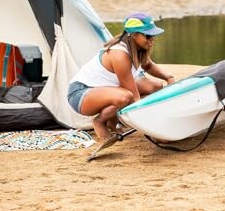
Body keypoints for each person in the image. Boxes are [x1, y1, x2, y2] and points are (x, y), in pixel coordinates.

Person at [67, 12, 175, 141]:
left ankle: (112, 122)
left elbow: (148, 66)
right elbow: (134, 97)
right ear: (134, 35)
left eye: (153, 35)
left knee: (155, 86)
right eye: (148, 35)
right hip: (80, 94)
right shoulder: (119, 54)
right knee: (126, 96)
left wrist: (169, 77)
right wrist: (155, 131)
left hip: (104, 90)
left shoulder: (138, 48)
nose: (152, 39)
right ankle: (100, 121)